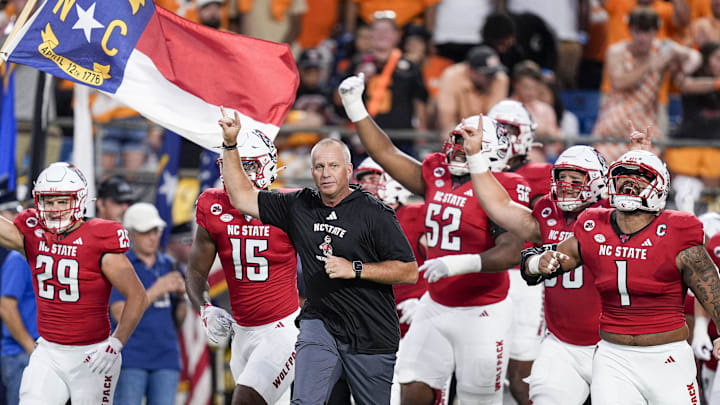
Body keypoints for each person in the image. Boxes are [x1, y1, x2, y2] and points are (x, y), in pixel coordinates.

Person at [339, 74, 530, 405]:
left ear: (492, 151)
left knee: (477, 399)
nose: (458, 147)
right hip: (437, 305)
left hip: (483, 311)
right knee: (411, 390)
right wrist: (355, 107)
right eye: (457, 138)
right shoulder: (436, 173)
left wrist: (461, 263)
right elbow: (385, 152)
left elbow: (512, 250)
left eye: (469, 140)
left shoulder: (505, 185)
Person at [217, 108, 418, 405]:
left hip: (371, 330)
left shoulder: (375, 212)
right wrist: (231, 144)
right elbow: (242, 197)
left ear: (348, 170)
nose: (326, 174)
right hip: (320, 322)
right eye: (319, 167)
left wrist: (356, 269)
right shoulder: (300, 205)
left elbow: (408, 270)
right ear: (311, 172)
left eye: (333, 166)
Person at [0, 162, 147, 404]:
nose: (55, 209)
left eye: (62, 201)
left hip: (92, 354)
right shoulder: (34, 234)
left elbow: (138, 296)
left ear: (79, 201)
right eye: (49, 201)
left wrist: (116, 342)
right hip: (48, 351)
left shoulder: (98, 238)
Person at [186, 129, 301, 405]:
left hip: (282, 329)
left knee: (245, 400)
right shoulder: (212, 204)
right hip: (241, 332)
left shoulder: (290, 206)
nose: (234, 171)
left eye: (245, 164)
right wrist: (205, 308)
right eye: (230, 162)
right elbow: (196, 271)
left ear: (267, 167)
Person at [352, 157, 428, 405]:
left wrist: (428, 302)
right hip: (371, 331)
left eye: (373, 179)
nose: (366, 187)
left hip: (414, 327)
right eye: (363, 181)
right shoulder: (354, 222)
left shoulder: (417, 215)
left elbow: (449, 263)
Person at [111, 203, 187, 405]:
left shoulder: (169, 264)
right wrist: (157, 289)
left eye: (156, 231)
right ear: (132, 234)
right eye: (146, 232)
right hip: (130, 357)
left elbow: (178, 320)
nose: (153, 237)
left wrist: (182, 298)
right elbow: (118, 313)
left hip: (166, 356)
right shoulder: (120, 265)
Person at [0, 197, 37, 405]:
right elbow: (6, 307)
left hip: (39, 354)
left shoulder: (44, 256)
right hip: (22, 354)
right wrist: (30, 347)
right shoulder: (19, 258)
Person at [487, 99, 551, 208]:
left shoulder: (542, 174)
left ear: (525, 133)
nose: (502, 134)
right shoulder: (476, 168)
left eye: (509, 129)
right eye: (496, 128)